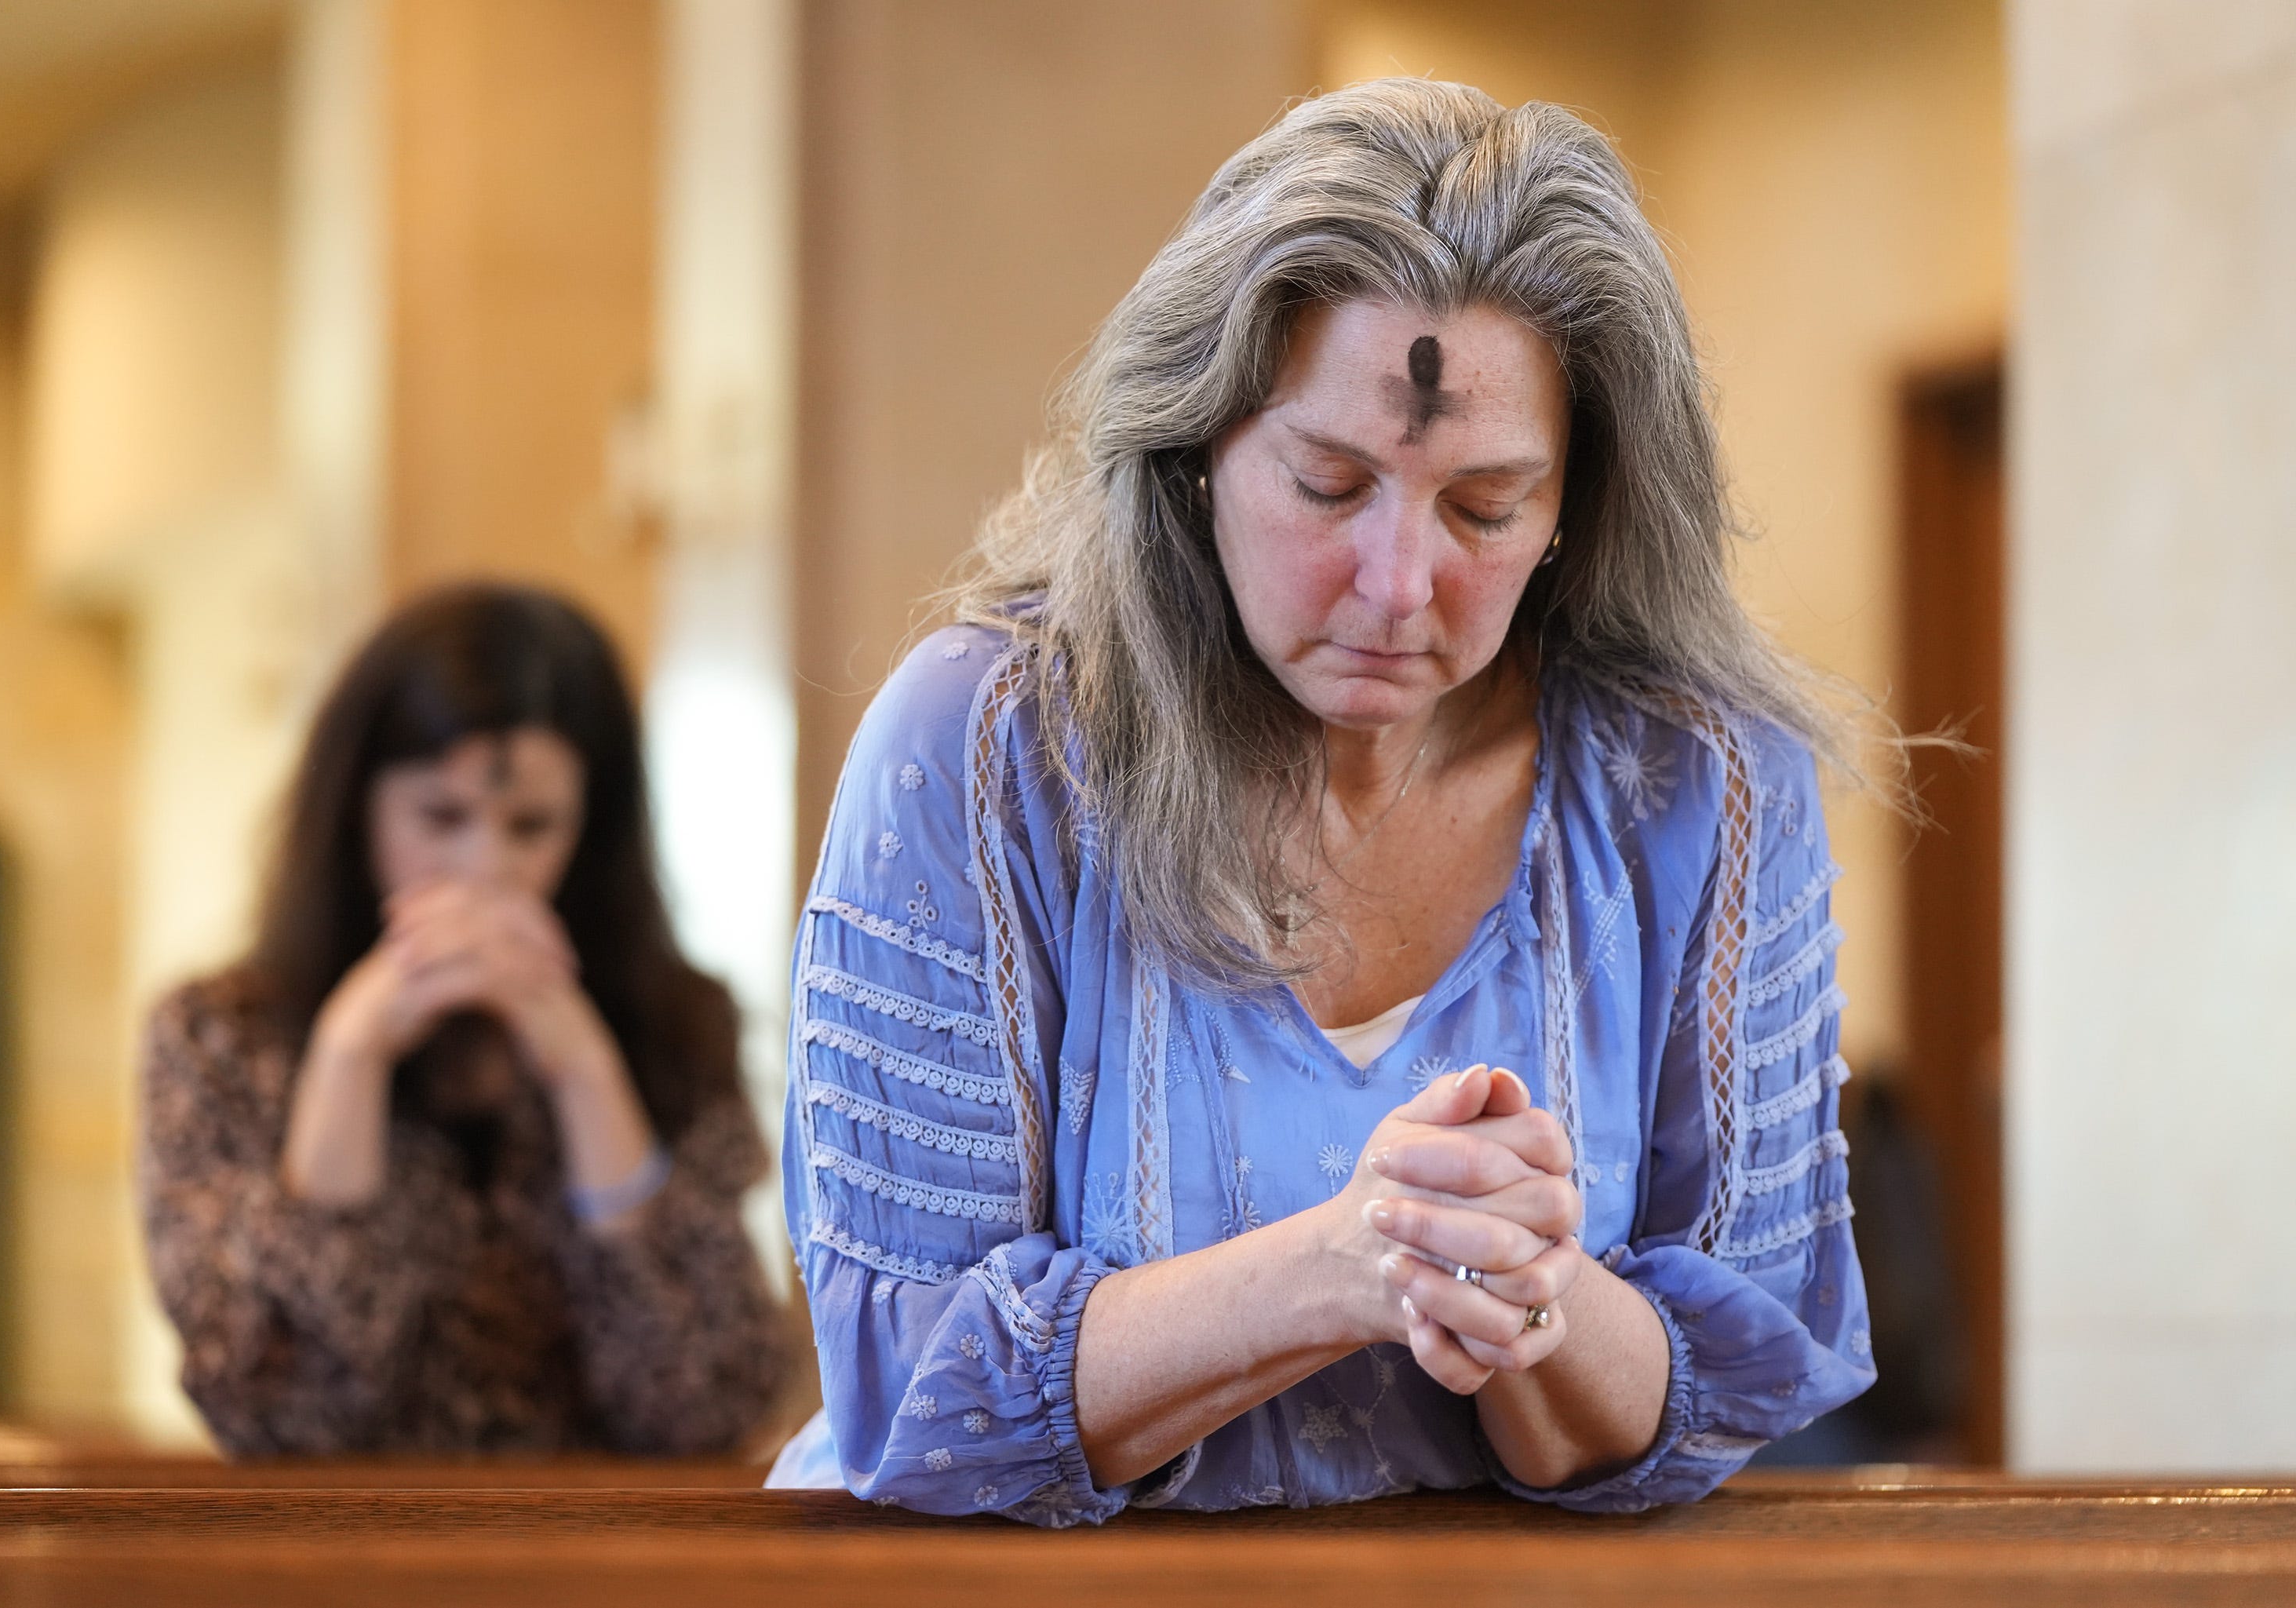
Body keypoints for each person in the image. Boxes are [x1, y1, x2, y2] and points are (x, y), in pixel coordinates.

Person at [769, 79, 1875, 1522]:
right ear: (1197, 451)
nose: (1398, 582)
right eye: (1328, 482)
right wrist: (1349, 1258)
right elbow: (918, 1394)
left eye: (1484, 506)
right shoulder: (987, 745)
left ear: (1573, 508)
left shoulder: (1703, 788)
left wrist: (1528, 1285)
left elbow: (1715, 1404)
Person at [141, 583, 785, 1456]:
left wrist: (587, 1075)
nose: (484, 869)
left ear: (590, 830)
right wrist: (346, 1060)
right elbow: (277, 1418)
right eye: (439, 818)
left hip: (612, 1573)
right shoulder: (221, 1037)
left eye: (531, 826)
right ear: (357, 809)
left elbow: (708, 1409)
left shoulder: (679, 1027)